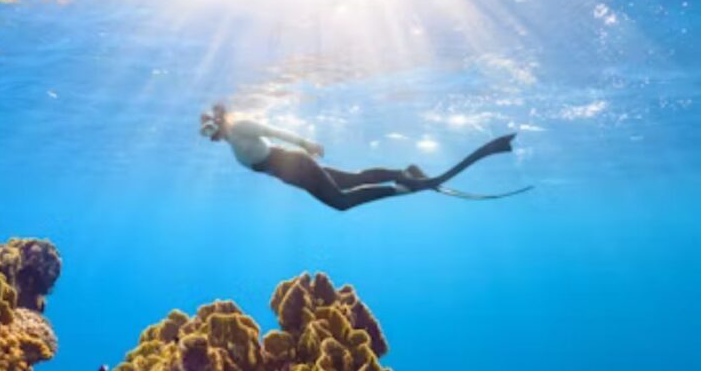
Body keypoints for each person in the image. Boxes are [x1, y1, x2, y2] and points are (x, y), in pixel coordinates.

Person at [199, 104, 523, 211]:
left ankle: (403, 187)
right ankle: (403, 171)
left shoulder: (240, 126)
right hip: (290, 172)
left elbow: (273, 130)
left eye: (211, 130)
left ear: (219, 122)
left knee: (341, 201)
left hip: (296, 164)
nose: (212, 137)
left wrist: (306, 143)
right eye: (209, 135)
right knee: (352, 181)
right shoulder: (232, 140)